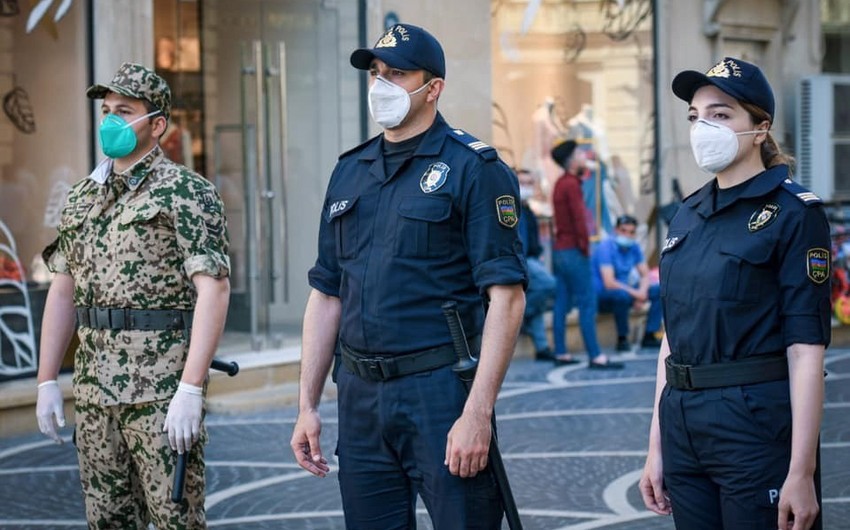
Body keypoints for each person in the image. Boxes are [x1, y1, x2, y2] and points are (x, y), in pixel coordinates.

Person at [289, 24, 527, 529]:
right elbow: (326, 293)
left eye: (397, 74)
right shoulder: (349, 171)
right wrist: (307, 404)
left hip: (439, 393)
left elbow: (506, 297)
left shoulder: (473, 168)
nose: (382, 85)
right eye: (377, 73)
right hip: (359, 396)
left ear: (433, 87)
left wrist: (477, 413)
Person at [35, 62, 231, 529]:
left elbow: (214, 290)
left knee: (173, 520)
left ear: (156, 124)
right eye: (106, 110)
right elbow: (63, 289)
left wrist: (190, 388)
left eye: (124, 111)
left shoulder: (185, 192)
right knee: (106, 520)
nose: (110, 121)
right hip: (94, 390)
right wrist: (46, 380)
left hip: (160, 393)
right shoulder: (83, 196)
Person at [638, 57, 830, 530]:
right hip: (683, 420)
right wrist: (656, 446)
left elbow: (806, 351)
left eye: (720, 115)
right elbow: (673, 336)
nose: (704, 127)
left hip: (753, 421)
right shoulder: (687, 214)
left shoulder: (793, 213)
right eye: (696, 116)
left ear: (760, 128)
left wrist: (801, 471)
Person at [550, 139, 622, 369]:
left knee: (562, 301)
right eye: (580, 153)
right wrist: (584, 247)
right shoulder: (571, 184)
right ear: (572, 160)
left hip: (561, 250)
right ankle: (595, 355)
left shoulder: (561, 183)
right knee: (587, 302)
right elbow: (579, 219)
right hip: (573, 250)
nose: (584, 156)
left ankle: (561, 352)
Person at [592, 214, 662, 351]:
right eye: (623, 231)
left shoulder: (634, 247)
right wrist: (637, 294)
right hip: (603, 296)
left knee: (659, 290)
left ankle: (649, 335)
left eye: (631, 232)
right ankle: (622, 339)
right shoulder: (605, 248)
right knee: (621, 296)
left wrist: (642, 292)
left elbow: (645, 273)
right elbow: (609, 282)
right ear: (616, 230)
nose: (627, 235)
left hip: (626, 290)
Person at [517, 168, 556, 360]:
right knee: (548, 284)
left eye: (529, 183)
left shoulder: (527, 209)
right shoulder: (513, 207)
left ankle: (542, 348)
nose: (527, 187)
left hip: (531, 258)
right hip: (522, 260)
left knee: (537, 304)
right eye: (522, 183)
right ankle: (518, 316)